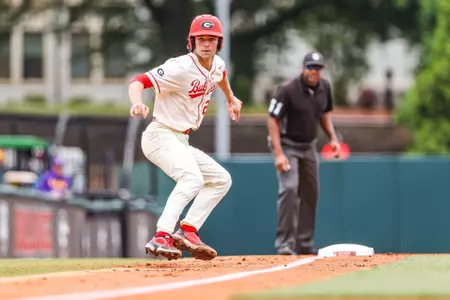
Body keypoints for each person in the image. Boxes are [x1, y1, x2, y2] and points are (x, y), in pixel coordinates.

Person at [127, 14, 242, 261]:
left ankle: (188, 230)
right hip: (160, 135)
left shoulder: (218, 65)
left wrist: (231, 98)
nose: (206, 44)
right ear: (192, 41)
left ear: (219, 43)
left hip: (180, 140)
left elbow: (219, 77)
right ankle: (162, 235)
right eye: (201, 38)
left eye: (212, 39)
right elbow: (138, 81)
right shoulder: (179, 67)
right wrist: (137, 103)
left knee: (221, 179)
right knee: (192, 178)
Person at [267, 51, 341, 256]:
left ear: (322, 70)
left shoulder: (324, 88)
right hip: (287, 144)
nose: (314, 72)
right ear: (303, 68)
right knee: (290, 188)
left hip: (309, 146)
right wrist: (278, 154)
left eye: (317, 68)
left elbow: (325, 115)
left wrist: (333, 138)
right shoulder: (287, 90)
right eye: (310, 67)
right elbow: (272, 120)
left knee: (310, 192)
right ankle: (284, 243)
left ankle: (304, 242)